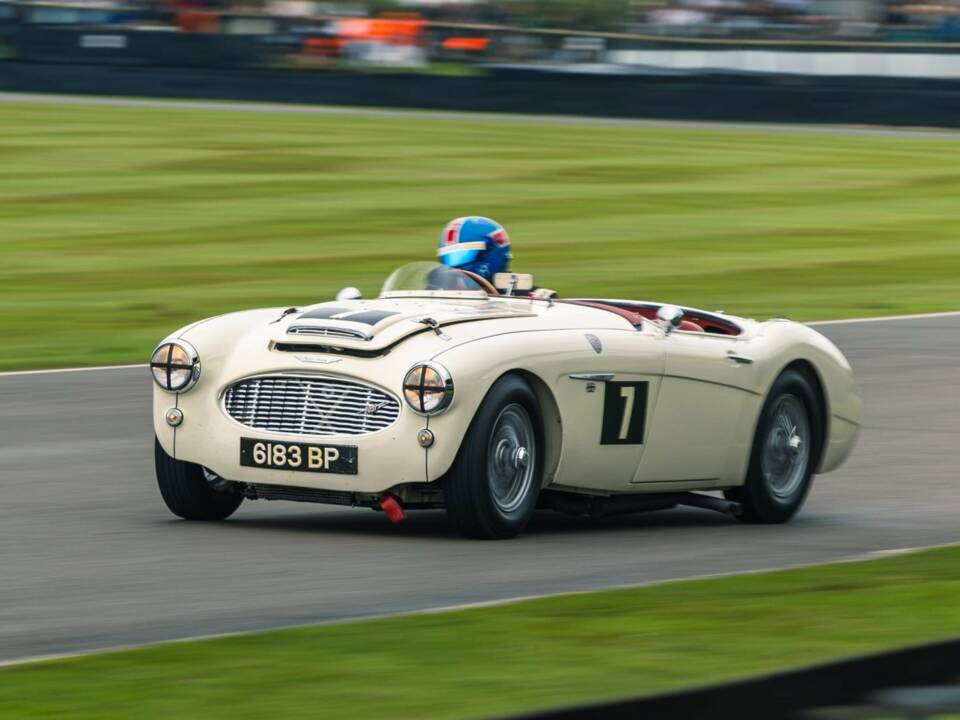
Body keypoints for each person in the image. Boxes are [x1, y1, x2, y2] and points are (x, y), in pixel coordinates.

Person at [436, 216, 511, 282]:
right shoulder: (435, 289)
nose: (454, 269)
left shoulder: (512, 294)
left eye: (462, 257)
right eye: (449, 258)